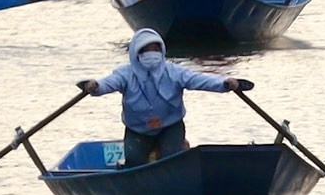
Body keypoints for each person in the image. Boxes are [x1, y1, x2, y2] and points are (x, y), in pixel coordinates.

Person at [77, 30, 250, 167]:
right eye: (146, 50)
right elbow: (108, 83)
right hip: (138, 130)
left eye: (155, 49)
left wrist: (225, 83)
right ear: (136, 53)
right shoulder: (125, 74)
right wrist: (95, 87)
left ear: (162, 51)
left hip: (170, 126)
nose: (151, 54)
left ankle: (180, 150)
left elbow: (199, 80)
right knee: (133, 162)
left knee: (171, 162)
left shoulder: (174, 72)